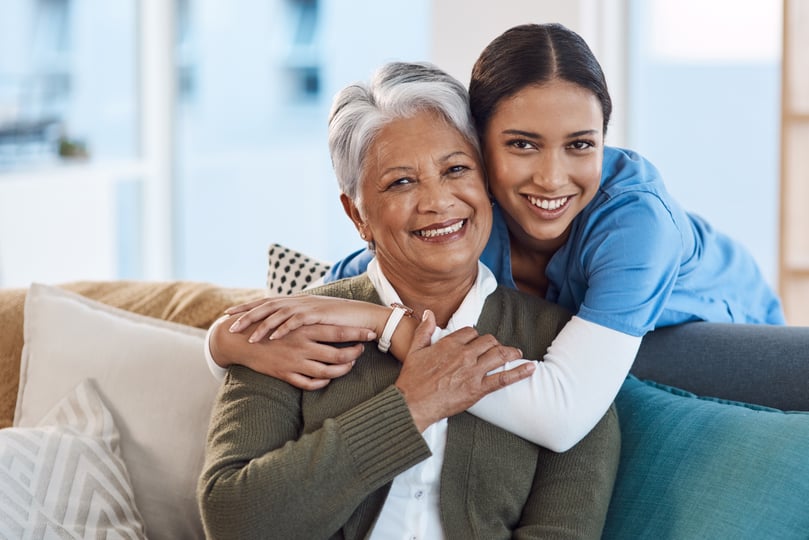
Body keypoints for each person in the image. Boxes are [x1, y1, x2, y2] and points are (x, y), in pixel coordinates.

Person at [214, 22, 783, 452]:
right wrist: (221, 341)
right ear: (478, 147)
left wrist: (387, 327)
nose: (552, 178)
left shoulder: (635, 222)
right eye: (522, 145)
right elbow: (331, 292)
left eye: (581, 144)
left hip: (722, 340)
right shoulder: (468, 216)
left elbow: (560, 418)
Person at [198, 61, 620, 540]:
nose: (438, 203)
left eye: (456, 169)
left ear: (487, 181)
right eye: (401, 182)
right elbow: (232, 521)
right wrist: (410, 405)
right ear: (357, 215)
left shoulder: (562, 354)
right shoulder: (293, 327)